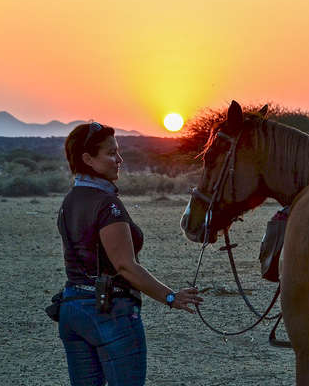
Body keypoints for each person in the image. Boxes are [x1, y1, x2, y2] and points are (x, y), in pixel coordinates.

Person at [57, 122, 203, 386]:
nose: (119, 160)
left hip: (72, 309)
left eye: (118, 151)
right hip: (109, 311)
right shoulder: (106, 204)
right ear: (87, 159)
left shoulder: (70, 200)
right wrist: (170, 296)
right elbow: (125, 266)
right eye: (111, 153)